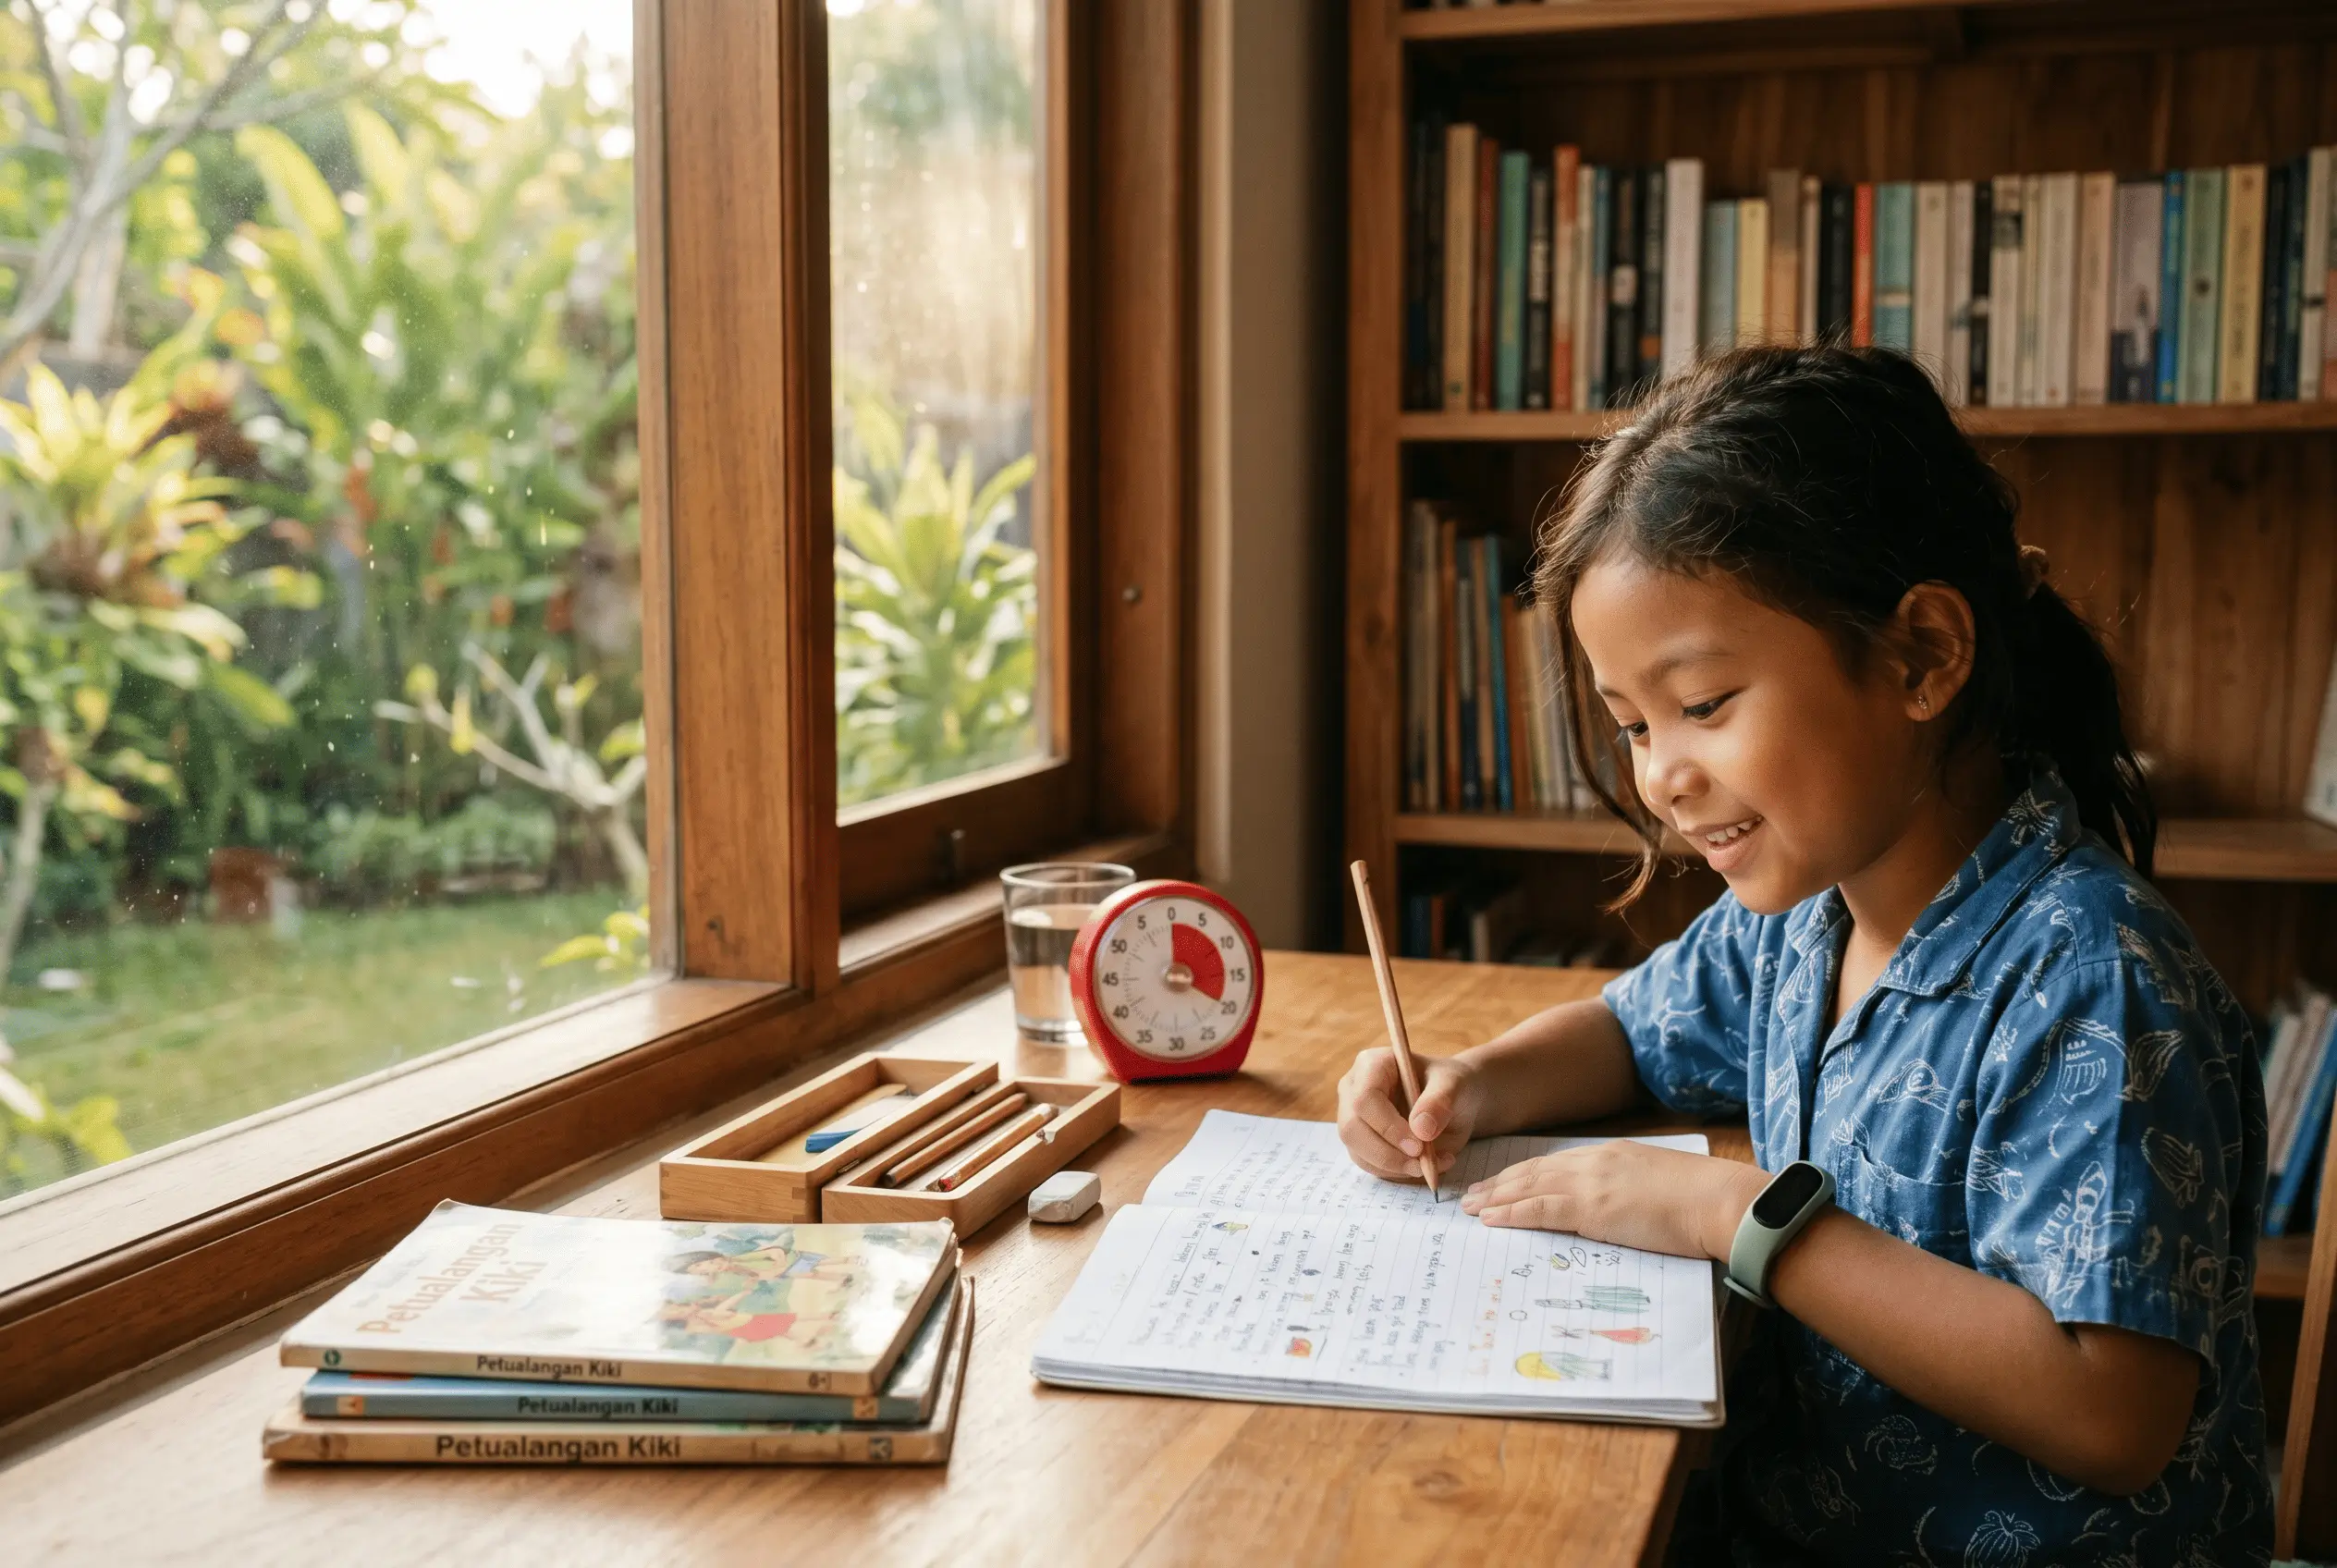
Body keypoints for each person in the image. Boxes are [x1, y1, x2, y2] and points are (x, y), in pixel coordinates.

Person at [1337, 347, 2269, 1566]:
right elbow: (1631, 1030)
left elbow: (2112, 1413)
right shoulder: (1802, 915)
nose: (1662, 774)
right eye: (1631, 725)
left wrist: (1740, 1219)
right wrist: (1471, 1081)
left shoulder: (2096, 977)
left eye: (1706, 703)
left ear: (1924, 655)